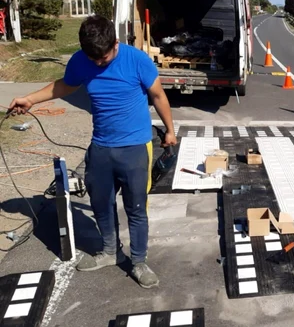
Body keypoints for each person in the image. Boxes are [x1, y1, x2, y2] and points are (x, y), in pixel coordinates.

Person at [8, 15, 177, 289]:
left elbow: (158, 95)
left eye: (104, 58)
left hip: (135, 148)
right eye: (94, 59)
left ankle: (138, 261)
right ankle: (110, 252)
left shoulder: (137, 60)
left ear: (116, 43)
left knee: (136, 208)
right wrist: (30, 99)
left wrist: (170, 130)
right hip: (101, 147)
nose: (98, 63)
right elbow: (64, 85)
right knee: (100, 203)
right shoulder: (81, 60)